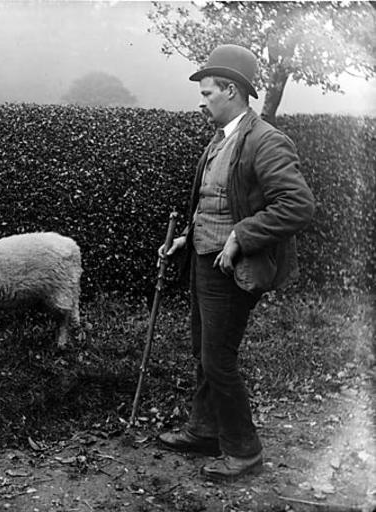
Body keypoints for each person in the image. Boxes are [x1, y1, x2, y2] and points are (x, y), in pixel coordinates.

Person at [157, 44, 315, 482]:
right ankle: (206, 430)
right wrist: (186, 238)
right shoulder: (222, 138)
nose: (201, 101)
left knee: (218, 359)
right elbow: (216, 202)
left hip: (232, 269)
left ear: (231, 90)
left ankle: (245, 451)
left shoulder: (265, 140)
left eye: (207, 93)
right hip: (203, 260)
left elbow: (298, 205)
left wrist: (242, 236)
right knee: (203, 352)